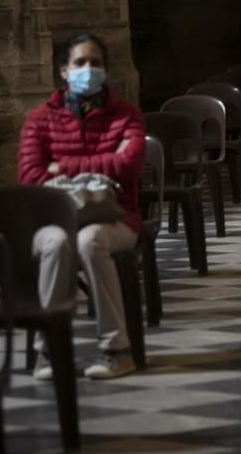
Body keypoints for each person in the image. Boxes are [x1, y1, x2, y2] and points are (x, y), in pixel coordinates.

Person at [18, 33, 146, 380]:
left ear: (105, 69)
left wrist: (64, 167)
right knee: (57, 242)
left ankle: (117, 351)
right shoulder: (40, 119)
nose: (88, 69)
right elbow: (30, 176)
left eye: (96, 63)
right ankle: (51, 351)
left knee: (91, 240)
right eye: (80, 63)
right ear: (64, 71)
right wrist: (104, 161)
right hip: (53, 219)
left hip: (115, 216)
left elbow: (130, 165)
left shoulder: (126, 116)